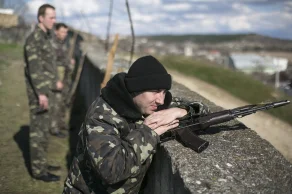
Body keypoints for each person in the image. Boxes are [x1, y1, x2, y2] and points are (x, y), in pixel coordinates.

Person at [62, 55, 210, 193]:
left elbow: (203, 108)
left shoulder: (151, 104)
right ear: (135, 89)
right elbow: (111, 170)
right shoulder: (101, 115)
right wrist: (147, 132)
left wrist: (181, 111)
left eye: (164, 92)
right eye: (155, 91)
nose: (161, 100)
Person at [24, 4, 62, 182]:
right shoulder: (34, 39)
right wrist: (41, 93)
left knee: (45, 129)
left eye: (54, 17)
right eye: (51, 17)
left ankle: (42, 163)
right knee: (38, 130)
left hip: (48, 90)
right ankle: (38, 171)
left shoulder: (46, 38)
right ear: (41, 18)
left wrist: (55, 82)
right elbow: (35, 69)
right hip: (39, 93)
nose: (54, 21)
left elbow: (49, 65)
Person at [51, 22, 73, 135]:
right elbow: (52, 64)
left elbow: (63, 59)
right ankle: (54, 128)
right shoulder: (53, 44)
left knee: (63, 101)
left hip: (64, 77)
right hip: (57, 78)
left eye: (66, 32)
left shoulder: (62, 43)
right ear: (56, 31)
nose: (65, 34)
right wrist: (56, 80)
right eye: (63, 31)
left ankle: (60, 123)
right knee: (56, 102)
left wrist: (69, 62)